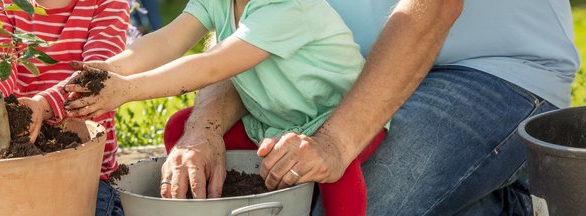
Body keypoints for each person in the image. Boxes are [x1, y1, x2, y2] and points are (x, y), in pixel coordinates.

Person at [136, 0, 581, 215]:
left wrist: (334, 144)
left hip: (493, 70)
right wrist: (204, 128)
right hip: (344, 72)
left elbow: (434, 7)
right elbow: (245, 23)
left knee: (349, 202)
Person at [62, 0, 385, 214]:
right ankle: (206, 202)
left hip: (331, 119)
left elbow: (214, 66)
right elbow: (166, 41)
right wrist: (109, 69)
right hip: (272, 121)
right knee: (181, 126)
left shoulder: (288, 7)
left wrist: (129, 90)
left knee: (334, 174)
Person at [0, 0, 130, 215]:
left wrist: (42, 106)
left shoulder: (108, 3)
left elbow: (95, 78)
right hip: (17, 161)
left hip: (86, 175)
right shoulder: (2, 3)